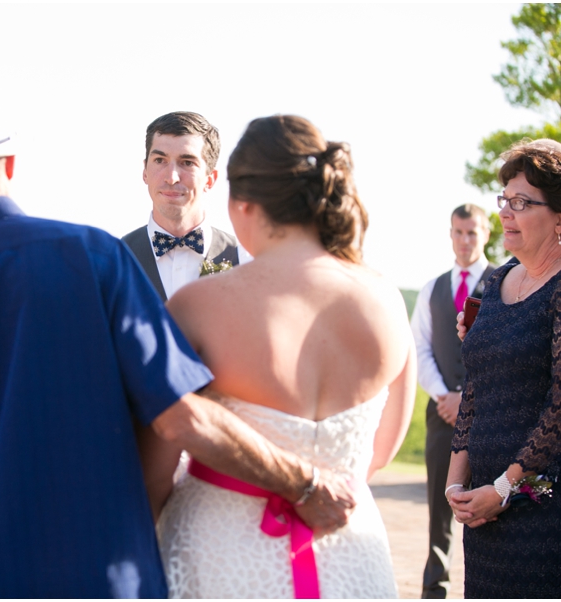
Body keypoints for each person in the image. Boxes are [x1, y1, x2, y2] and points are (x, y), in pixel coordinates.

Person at [0, 70, 356, 599]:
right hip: (101, 580)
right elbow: (181, 418)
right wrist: (304, 483)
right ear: (10, 163)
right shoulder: (93, 256)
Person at [148, 115, 416, 597]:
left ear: (240, 202)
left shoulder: (198, 306)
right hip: (350, 552)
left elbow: (156, 467)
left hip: (223, 554)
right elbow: (380, 452)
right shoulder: (387, 300)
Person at [447, 140, 561, 598]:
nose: (505, 212)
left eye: (522, 202)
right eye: (504, 199)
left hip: (545, 502)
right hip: (482, 510)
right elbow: (477, 387)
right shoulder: (496, 278)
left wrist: (505, 488)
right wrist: (455, 483)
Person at [409, 204, 495, 598]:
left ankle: (487, 586)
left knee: (490, 506)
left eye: (472, 233)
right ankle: (434, 589)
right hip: (440, 413)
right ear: (450, 235)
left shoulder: (504, 281)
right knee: (440, 506)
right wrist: (445, 396)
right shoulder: (432, 288)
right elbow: (420, 349)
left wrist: (467, 398)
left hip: (492, 412)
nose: (465, 241)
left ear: (486, 234)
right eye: (458, 233)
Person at [121, 112, 242, 301]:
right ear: (145, 171)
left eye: (187, 163)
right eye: (160, 160)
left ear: (210, 180)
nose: (171, 177)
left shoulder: (244, 259)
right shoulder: (117, 257)